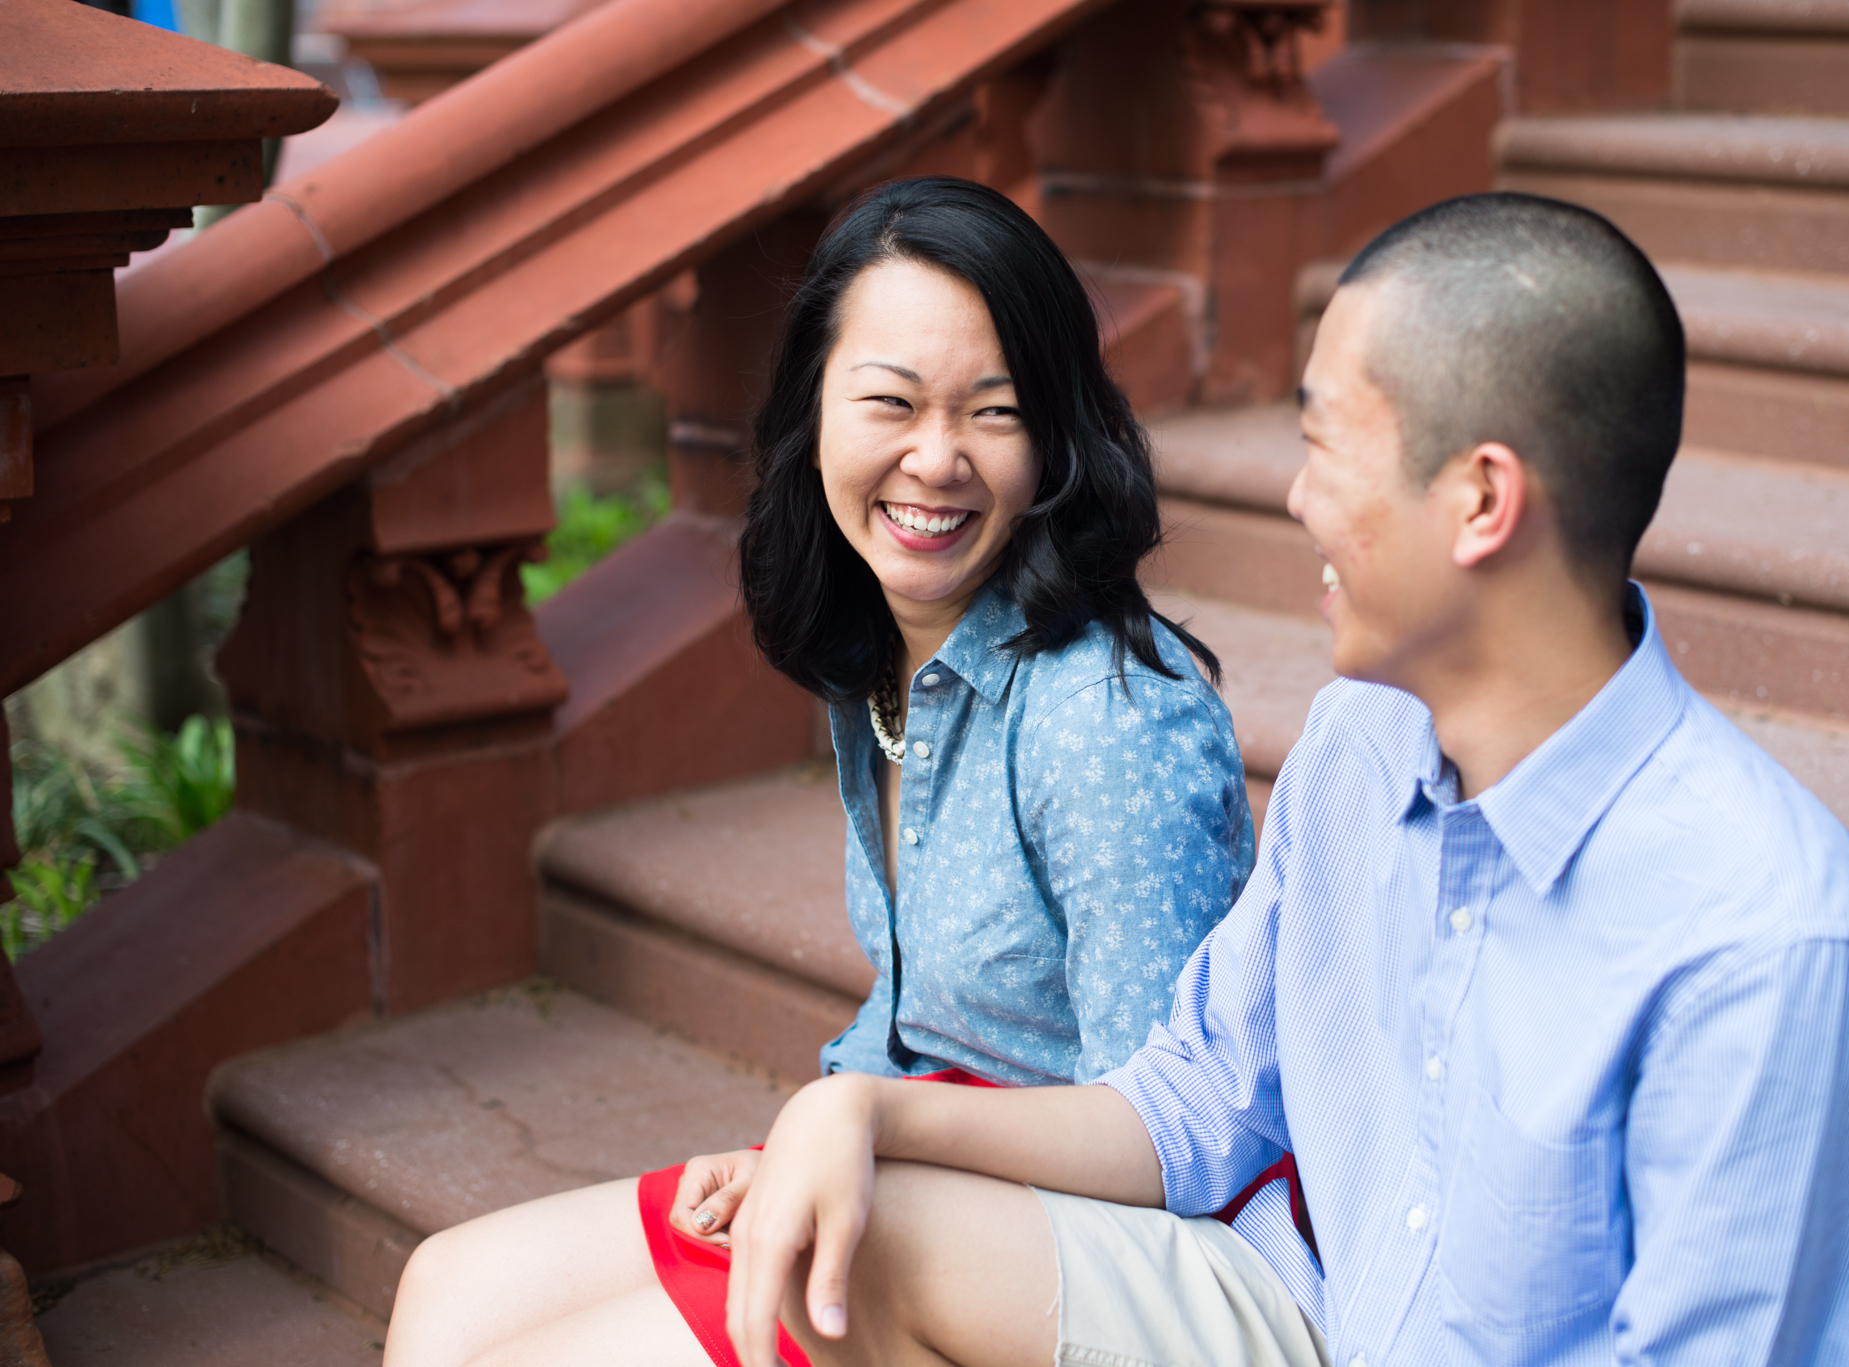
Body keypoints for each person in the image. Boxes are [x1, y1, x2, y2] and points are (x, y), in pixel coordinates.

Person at [721, 192, 1849, 1367]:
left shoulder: (1777, 948)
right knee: (828, 1248)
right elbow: (1187, 1101)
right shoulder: (1363, 740)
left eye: (1321, 444)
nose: (1293, 498)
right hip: (1294, 1302)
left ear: (1478, 499)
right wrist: (866, 1113)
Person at [379, 177, 1257, 1367]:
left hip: (1068, 1250)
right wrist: (807, 1135)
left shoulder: (1105, 719)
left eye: (993, 414)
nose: (934, 460)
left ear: (1056, 437)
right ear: (816, 410)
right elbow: (912, 1020)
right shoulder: (888, 644)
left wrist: (856, 1129)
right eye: (888, 402)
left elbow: (1165, 1141)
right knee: (448, 1291)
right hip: (913, 1156)